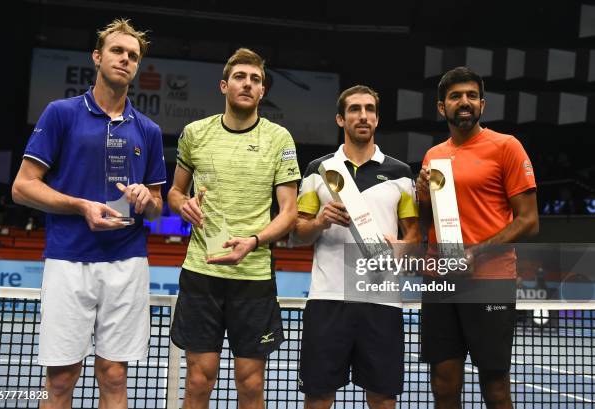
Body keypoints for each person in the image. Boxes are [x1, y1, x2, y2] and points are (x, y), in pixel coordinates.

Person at [12, 19, 166, 409]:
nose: (125, 59)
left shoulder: (147, 130)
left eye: (133, 56)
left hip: (127, 262)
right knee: (61, 380)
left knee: (114, 374)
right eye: (117, 51)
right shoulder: (60, 113)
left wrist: (146, 201)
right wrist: (80, 205)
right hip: (69, 257)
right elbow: (23, 186)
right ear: (97, 57)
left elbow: (157, 205)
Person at [168, 48, 300, 409]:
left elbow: (289, 212)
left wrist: (255, 241)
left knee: (251, 382)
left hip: (253, 275)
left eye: (256, 80)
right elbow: (175, 193)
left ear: (262, 91)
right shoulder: (195, 134)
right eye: (241, 77)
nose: (248, 84)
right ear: (224, 85)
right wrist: (184, 205)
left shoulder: (279, 139)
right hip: (201, 271)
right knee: (198, 379)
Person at [416, 66, 539, 409]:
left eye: (471, 95)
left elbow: (529, 221)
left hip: (489, 281)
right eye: (455, 96)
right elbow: (428, 223)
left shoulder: (507, 147)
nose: (464, 102)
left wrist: (476, 254)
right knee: (443, 384)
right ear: (442, 107)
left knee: (495, 386)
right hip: (440, 282)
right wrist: (421, 195)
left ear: (482, 105)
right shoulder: (433, 156)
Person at [292, 85, 420, 409]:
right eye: (354, 109)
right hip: (328, 300)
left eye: (369, 109)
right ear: (340, 118)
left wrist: (403, 248)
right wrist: (320, 221)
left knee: (382, 399)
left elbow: (414, 237)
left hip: (382, 302)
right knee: (318, 398)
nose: (363, 116)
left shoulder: (401, 174)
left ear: (377, 119)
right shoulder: (319, 170)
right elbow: (297, 233)